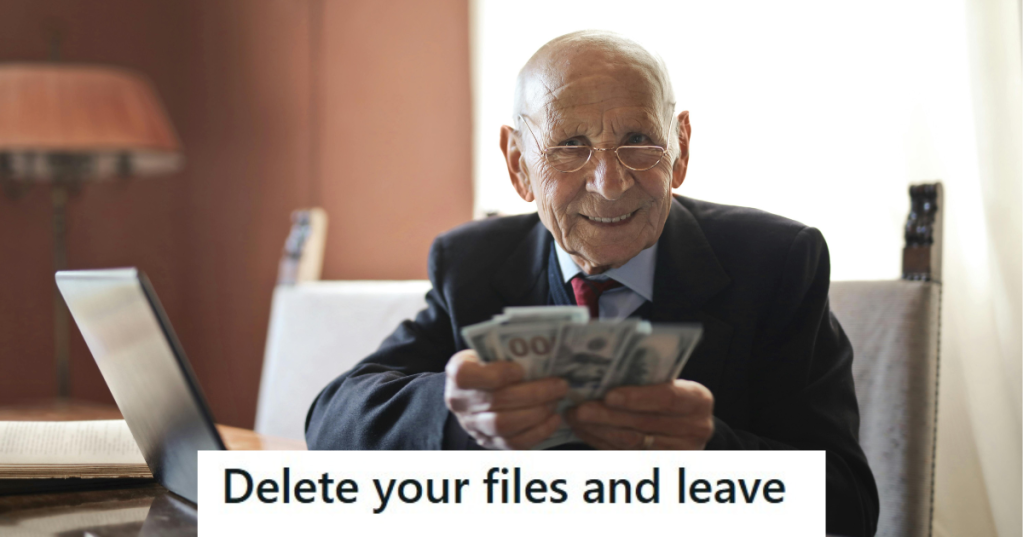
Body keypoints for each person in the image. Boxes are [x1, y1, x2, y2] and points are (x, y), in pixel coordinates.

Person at [306, 31, 879, 536]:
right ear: (517, 164)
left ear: (679, 149)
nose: (609, 184)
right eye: (570, 146)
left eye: (637, 140)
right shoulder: (474, 263)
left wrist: (711, 454)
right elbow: (332, 419)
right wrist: (463, 414)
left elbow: (848, 508)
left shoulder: (777, 262)